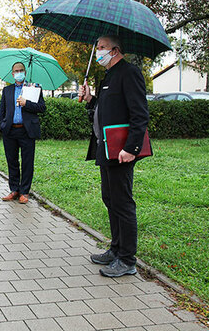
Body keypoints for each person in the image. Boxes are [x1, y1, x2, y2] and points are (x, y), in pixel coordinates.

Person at [80, 35, 149, 278]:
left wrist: (131, 149)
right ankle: (116, 249)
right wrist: (91, 99)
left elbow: (140, 114)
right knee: (110, 199)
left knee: (123, 203)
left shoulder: (129, 73)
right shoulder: (108, 76)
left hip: (121, 152)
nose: (97, 52)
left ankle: (128, 259)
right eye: (97, 47)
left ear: (115, 50)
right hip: (105, 148)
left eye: (101, 48)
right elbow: (106, 109)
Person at [0, 62, 46, 204]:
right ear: (12, 74)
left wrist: (27, 103)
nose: (18, 73)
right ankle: (14, 189)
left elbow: (42, 107)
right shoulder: (7, 90)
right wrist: (3, 124)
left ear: (25, 72)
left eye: (21, 70)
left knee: (27, 162)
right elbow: (2, 110)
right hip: (10, 131)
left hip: (27, 131)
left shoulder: (34, 88)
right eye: (16, 71)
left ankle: (24, 192)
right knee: (12, 161)